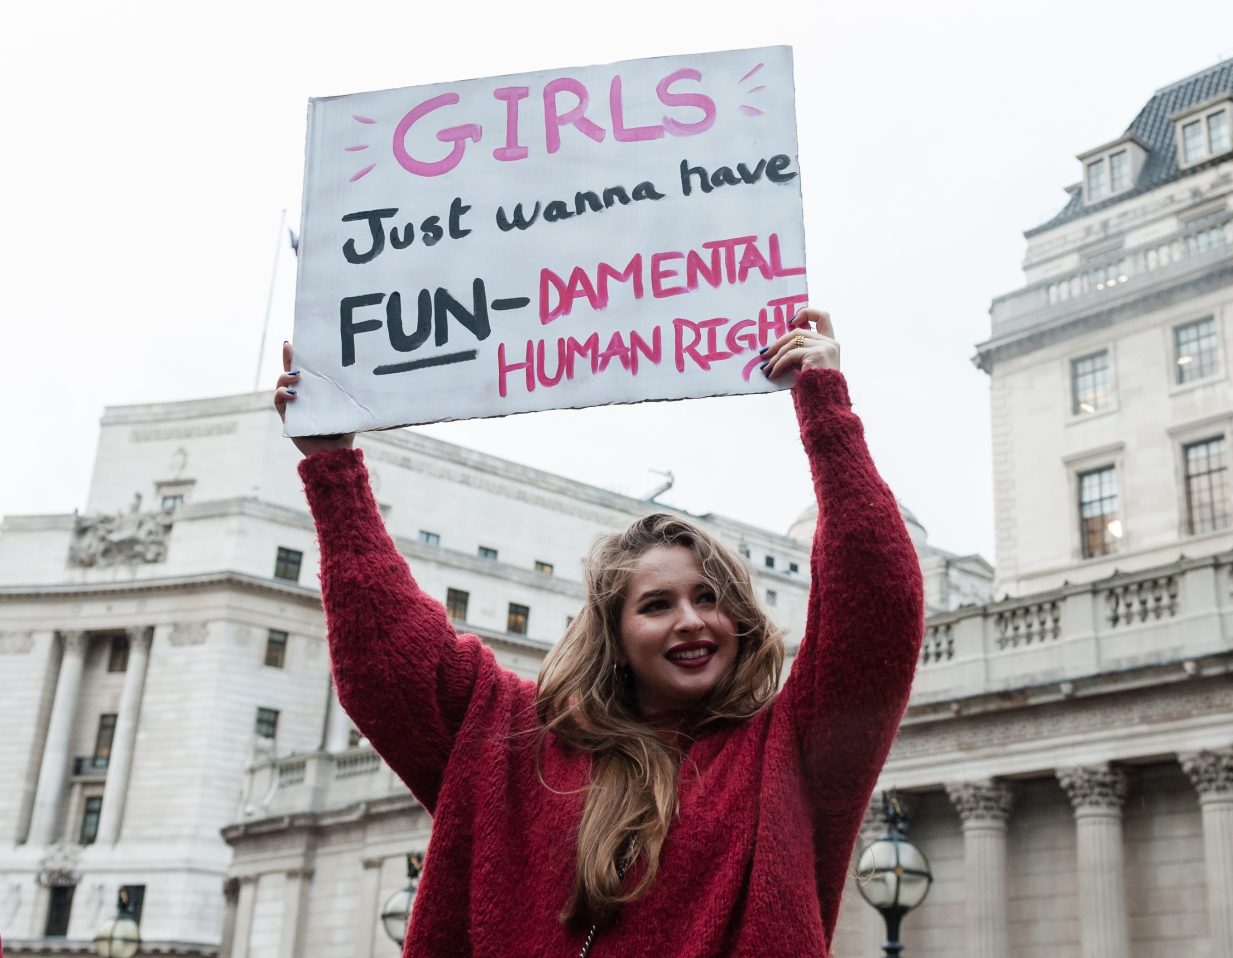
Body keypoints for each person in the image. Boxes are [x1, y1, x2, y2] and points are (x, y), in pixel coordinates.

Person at [275, 309, 925, 957]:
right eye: (657, 605)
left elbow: (878, 610)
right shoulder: (510, 740)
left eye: (709, 598)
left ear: (741, 622)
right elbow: (389, 667)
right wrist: (334, 470)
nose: (693, 620)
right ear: (613, 635)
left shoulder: (792, 753)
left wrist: (827, 413)